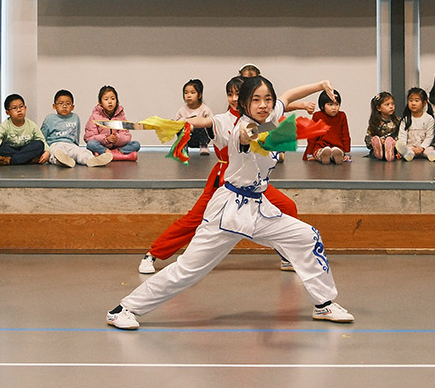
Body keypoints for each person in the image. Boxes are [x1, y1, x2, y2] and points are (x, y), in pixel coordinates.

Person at [107, 76, 353, 329]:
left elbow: (288, 96)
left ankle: (324, 304)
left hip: (259, 207)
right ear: (245, 104)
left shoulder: (270, 115)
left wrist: (320, 86)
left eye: (267, 99)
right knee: (188, 270)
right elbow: (249, 135)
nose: (263, 104)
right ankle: (124, 309)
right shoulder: (241, 129)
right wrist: (285, 132)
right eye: (256, 100)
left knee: (307, 236)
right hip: (229, 210)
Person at [138, 76, 300, 274]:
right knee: (194, 220)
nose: (234, 98)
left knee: (287, 206)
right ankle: (152, 254)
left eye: (238, 94)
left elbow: (281, 104)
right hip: (224, 181)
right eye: (230, 94)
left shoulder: (260, 118)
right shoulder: (222, 120)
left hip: (251, 181)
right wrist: (182, 123)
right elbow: (203, 121)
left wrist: (301, 105)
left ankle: (287, 257)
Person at [42, 88, 112, 168]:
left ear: (72, 107)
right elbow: (42, 136)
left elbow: (76, 134)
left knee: (82, 152)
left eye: (68, 104)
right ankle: (61, 161)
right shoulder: (50, 118)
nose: (64, 106)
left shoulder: (75, 117)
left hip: (71, 145)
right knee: (56, 152)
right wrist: (45, 150)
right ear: (54, 106)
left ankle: (92, 160)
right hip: (56, 144)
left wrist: (76, 146)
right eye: (61, 103)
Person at [0, 94, 49, 165]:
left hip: (26, 149)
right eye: (14, 108)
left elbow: (41, 139)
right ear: (8, 112)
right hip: (11, 149)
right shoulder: (5, 125)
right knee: (0, 147)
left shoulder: (31, 125)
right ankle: (27, 160)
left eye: (21, 107)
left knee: (39, 144)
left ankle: (10, 161)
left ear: (25, 108)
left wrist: (47, 151)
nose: (19, 110)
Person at [84, 85, 141, 160]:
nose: (110, 102)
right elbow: (88, 138)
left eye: (113, 99)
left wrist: (117, 138)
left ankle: (111, 154)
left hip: (118, 146)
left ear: (117, 101)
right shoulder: (94, 117)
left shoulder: (121, 117)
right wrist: (106, 139)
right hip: (102, 146)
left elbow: (127, 136)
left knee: (136, 144)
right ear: (100, 102)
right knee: (91, 144)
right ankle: (114, 154)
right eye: (106, 99)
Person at [304, 88, 350, 164]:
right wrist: (309, 153)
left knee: (337, 151)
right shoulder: (317, 116)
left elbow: (345, 135)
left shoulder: (342, 116)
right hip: (320, 146)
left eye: (337, 104)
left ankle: (335, 156)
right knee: (320, 152)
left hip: (337, 147)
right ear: (322, 106)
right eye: (330, 105)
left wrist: (347, 153)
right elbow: (312, 136)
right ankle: (324, 156)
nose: (334, 108)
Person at [396, 87, 435, 161]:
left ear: (424, 103)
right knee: (408, 150)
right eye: (410, 100)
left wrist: (422, 147)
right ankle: (407, 155)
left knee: (429, 150)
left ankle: (434, 154)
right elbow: (402, 135)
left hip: (425, 147)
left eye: (417, 100)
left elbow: (430, 136)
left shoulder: (429, 119)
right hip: (411, 147)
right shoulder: (406, 119)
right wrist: (402, 148)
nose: (413, 103)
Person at [176, 78, 214, 155]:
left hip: (201, 137)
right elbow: (176, 123)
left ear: (199, 95)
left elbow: (212, 122)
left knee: (203, 126)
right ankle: (183, 147)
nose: (189, 95)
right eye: (186, 93)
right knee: (179, 128)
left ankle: (203, 146)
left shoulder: (205, 109)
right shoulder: (182, 110)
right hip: (188, 137)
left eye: (192, 93)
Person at [365, 90, 399, 160]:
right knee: (374, 149)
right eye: (387, 104)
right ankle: (378, 152)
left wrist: (393, 141)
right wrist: (379, 141)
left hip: (393, 145)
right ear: (379, 108)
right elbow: (368, 137)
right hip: (380, 145)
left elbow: (400, 135)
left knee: (394, 148)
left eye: (392, 104)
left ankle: (389, 153)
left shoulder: (397, 120)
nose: (391, 107)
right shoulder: (375, 122)